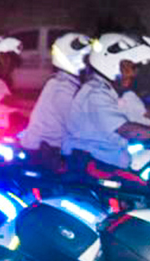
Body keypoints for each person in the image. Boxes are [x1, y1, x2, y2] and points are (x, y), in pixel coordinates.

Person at [62, 33, 150, 177]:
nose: (131, 74)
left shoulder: (107, 91)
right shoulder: (95, 93)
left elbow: (138, 122)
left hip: (104, 164)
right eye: (127, 67)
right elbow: (127, 130)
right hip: (92, 169)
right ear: (110, 63)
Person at [19, 33, 92, 172]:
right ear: (75, 59)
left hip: (49, 150)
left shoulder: (64, 83)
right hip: (46, 154)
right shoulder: (63, 87)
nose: (90, 66)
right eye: (87, 59)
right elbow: (78, 124)